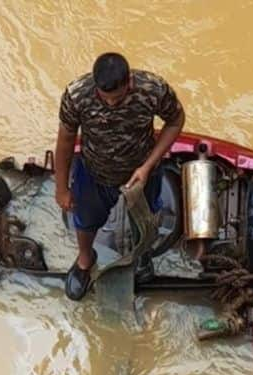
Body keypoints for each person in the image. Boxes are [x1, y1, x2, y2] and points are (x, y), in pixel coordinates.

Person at [53, 52, 185, 300]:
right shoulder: (76, 95)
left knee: (145, 220)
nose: (112, 104)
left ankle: (142, 257)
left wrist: (147, 166)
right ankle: (84, 260)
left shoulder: (153, 90)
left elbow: (176, 120)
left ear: (129, 83)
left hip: (142, 172)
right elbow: (65, 141)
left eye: (117, 98)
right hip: (95, 171)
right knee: (85, 219)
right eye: (105, 99)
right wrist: (61, 188)